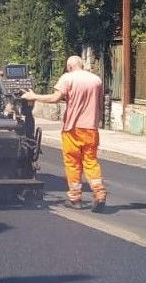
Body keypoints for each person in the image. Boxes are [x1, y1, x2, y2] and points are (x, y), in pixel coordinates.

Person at [22, 55, 106, 212]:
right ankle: (99, 193)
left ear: (69, 66)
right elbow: (100, 105)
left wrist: (34, 96)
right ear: (82, 65)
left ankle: (75, 198)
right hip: (91, 129)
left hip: (72, 129)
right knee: (91, 161)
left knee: (73, 163)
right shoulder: (96, 80)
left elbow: (55, 98)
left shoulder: (68, 78)